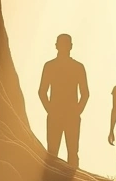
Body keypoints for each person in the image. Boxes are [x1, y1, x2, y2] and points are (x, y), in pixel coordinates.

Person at [38, 34, 89, 166]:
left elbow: (85, 93)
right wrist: (51, 110)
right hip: (61, 114)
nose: (64, 47)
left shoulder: (77, 67)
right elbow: (42, 92)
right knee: (55, 153)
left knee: (69, 152)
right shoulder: (51, 66)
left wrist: (76, 111)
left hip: (66, 114)